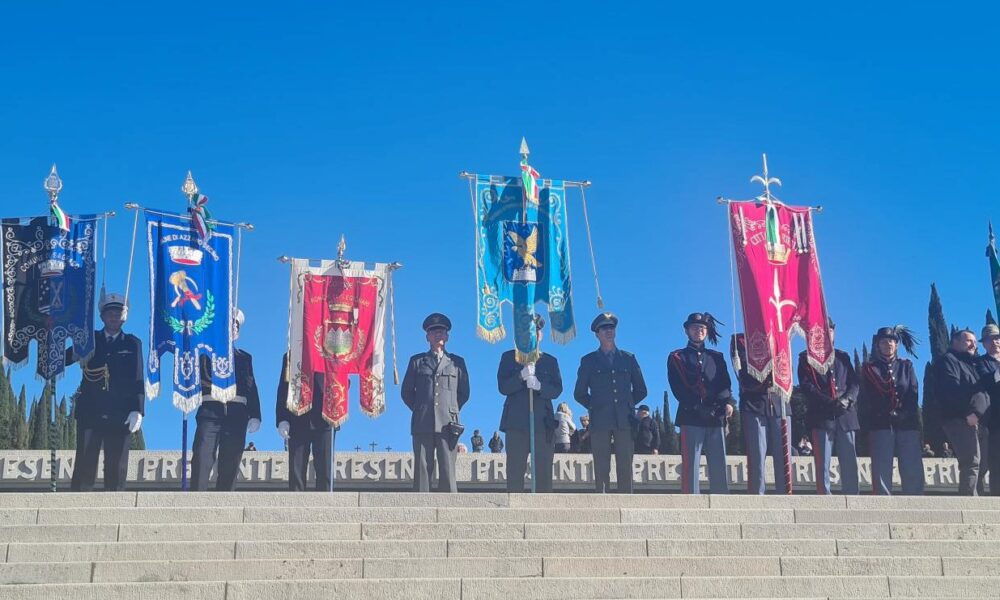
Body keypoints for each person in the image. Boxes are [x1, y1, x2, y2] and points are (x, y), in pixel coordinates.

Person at [68, 292, 144, 491]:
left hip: (120, 412)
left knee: (116, 466)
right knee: (85, 463)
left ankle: (116, 509)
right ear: (102, 316)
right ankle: (79, 510)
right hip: (90, 410)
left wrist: (138, 409)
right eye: (109, 313)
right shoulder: (89, 339)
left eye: (117, 313)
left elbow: (138, 378)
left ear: (124, 316)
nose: (113, 317)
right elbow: (64, 359)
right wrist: (56, 335)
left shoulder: (133, 344)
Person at [575, 312, 648, 493]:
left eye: (611, 328)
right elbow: (579, 393)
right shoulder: (589, 361)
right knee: (601, 466)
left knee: (625, 465)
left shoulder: (628, 358)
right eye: (604, 329)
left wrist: (628, 405)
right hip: (600, 420)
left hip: (624, 419)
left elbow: (641, 390)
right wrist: (595, 406)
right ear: (597, 334)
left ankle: (627, 502)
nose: (608, 331)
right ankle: (603, 503)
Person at [191, 309, 262, 491]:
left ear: (237, 333)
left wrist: (255, 414)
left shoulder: (245, 358)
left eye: (235, 327)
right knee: (202, 456)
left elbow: (251, 387)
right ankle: (195, 501)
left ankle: (224, 503)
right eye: (227, 326)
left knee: (230, 461)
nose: (231, 330)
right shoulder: (205, 354)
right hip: (211, 410)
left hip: (236, 413)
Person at [401, 313, 471, 493]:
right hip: (423, 421)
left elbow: (464, 392)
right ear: (427, 337)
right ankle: (421, 510)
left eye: (441, 331)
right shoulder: (417, 362)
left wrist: (451, 409)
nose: (438, 335)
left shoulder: (457, 362)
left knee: (448, 469)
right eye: (434, 332)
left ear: (447, 336)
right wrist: (420, 408)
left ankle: (450, 511)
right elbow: (407, 392)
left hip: (448, 423)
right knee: (422, 469)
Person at [668, 312, 733, 495]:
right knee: (691, 465)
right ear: (687, 331)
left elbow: (724, 383)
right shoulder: (677, 357)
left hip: (715, 415)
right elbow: (677, 387)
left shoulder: (716, 357)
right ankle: (691, 501)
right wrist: (696, 407)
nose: (699, 331)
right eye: (695, 328)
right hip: (691, 415)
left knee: (718, 463)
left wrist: (726, 402)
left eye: (703, 328)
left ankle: (722, 502)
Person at [497, 314, 562, 492]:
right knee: (515, 470)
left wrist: (540, 386)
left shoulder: (550, 361)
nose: (532, 334)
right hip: (516, 422)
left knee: (543, 472)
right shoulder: (509, 357)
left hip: (542, 423)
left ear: (540, 335)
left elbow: (557, 390)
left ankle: (543, 513)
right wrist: (520, 376)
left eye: (536, 331)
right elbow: (503, 387)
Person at [858, 326, 924, 495]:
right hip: (881, 422)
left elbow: (912, 392)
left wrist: (903, 414)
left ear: (896, 345)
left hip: (906, 422)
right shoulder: (869, 369)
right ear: (877, 345)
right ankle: (882, 501)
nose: (888, 344)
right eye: (883, 342)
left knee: (911, 465)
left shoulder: (906, 366)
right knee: (881, 466)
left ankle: (915, 500)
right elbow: (867, 397)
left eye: (891, 341)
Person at [798, 319, 860, 495]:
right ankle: (824, 497)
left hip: (846, 416)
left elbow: (854, 383)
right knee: (822, 463)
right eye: (822, 331)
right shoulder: (805, 358)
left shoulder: (843, 357)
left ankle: (852, 496)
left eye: (830, 330)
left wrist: (847, 400)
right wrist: (830, 402)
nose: (827, 334)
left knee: (849, 461)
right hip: (822, 417)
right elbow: (807, 386)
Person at [732, 333, 789, 495]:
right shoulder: (741, 340)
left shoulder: (781, 335)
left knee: (784, 458)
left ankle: (785, 497)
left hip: (780, 402)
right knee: (757, 457)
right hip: (755, 403)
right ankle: (758, 496)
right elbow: (744, 372)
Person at [937, 328, 990, 495]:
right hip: (960, 419)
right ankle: (968, 504)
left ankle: (977, 500)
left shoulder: (973, 364)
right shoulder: (948, 360)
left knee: (982, 465)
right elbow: (951, 390)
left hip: (978, 419)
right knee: (971, 462)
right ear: (955, 342)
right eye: (968, 340)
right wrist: (969, 413)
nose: (973, 344)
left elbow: (983, 391)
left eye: (975, 342)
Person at [277, 351, 337, 491]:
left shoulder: (333, 353)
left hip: (326, 417)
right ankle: (296, 508)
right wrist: (282, 419)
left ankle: (325, 507)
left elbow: (343, 382)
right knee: (296, 469)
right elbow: (283, 388)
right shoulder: (291, 356)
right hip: (297, 416)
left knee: (325, 468)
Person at [982, 324, 999, 496]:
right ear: (984, 344)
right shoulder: (981, 363)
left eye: (997, 338)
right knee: (996, 463)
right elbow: (984, 384)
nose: (994, 342)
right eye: (990, 340)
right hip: (995, 421)